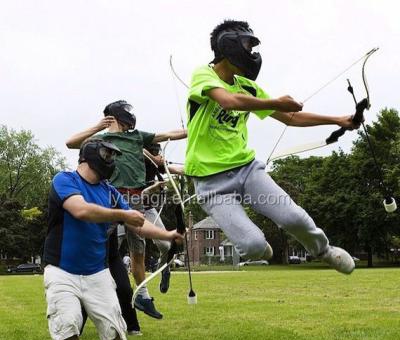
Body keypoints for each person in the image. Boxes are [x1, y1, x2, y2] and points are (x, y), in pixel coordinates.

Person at [184, 19, 360, 274]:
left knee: (293, 217)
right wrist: (277, 101)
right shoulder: (204, 74)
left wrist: (338, 120)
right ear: (228, 45)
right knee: (254, 246)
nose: (252, 53)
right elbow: (228, 101)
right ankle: (257, 248)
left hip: (247, 170)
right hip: (210, 183)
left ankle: (324, 251)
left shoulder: (249, 87)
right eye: (247, 44)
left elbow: (290, 117)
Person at [43, 138, 183, 340]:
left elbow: (138, 223)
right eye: (108, 155)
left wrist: (168, 235)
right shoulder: (65, 180)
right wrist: (121, 214)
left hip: (98, 272)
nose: (112, 161)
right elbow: (81, 210)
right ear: (89, 156)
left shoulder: (109, 191)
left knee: (113, 327)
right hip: (61, 270)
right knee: (68, 324)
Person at [66, 101, 186, 319]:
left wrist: (192, 130)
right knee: (100, 247)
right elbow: (71, 143)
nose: (131, 116)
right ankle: (84, 290)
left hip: (137, 199)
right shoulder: (102, 139)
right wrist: (99, 126)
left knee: (137, 253)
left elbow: (169, 134)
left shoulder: (137, 137)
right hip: (112, 197)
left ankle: (143, 296)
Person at [142, 142, 184, 293]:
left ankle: (165, 270)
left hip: (147, 209)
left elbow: (175, 169)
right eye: (156, 152)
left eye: (159, 152)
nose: (160, 155)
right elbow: (138, 149)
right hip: (124, 207)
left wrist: (192, 171)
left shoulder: (157, 165)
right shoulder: (135, 159)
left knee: (167, 247)